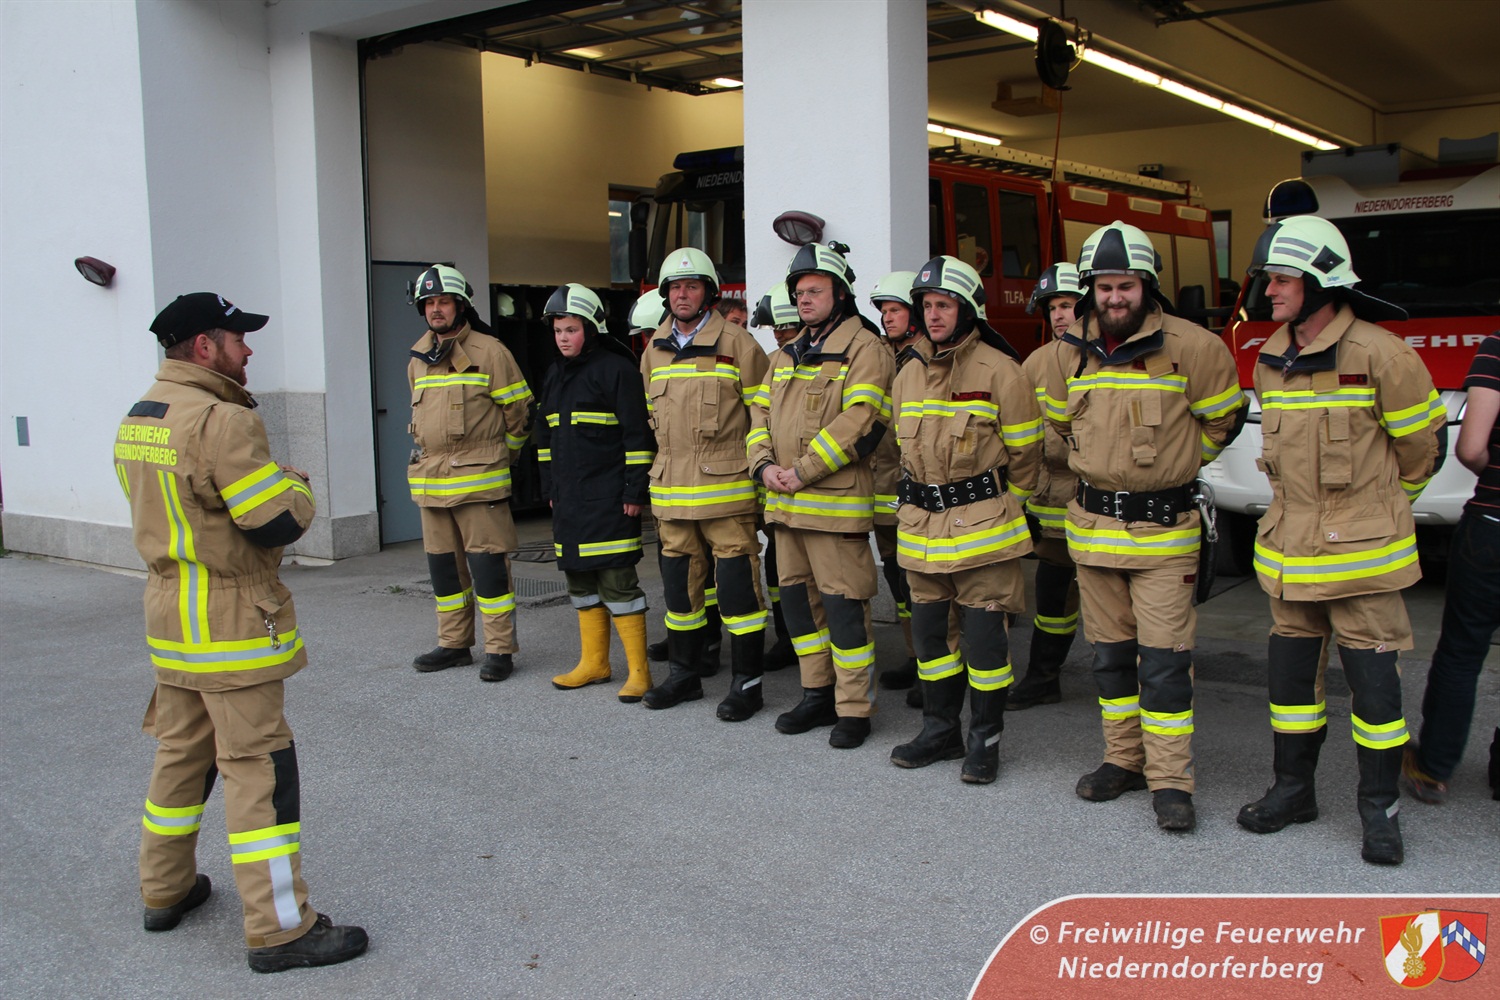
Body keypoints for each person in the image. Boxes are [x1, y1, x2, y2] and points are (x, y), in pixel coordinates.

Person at [116, 292, 366, 972]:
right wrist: (295, 485)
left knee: (181, 755)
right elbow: (274, 521)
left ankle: (164, 889)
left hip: (170, 618)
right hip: (229, 623)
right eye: (237, 338)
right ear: (205, 346)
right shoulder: (223, 420)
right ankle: (280, 929)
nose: (248, 349)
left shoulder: (142, 415)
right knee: (259, 770)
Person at [1235, 215, 1445, 865]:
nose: (1269, 290)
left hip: (1363, 561)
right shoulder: (1270, 357)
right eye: (1268, 278)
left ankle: (1379, 812)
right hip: (1289, 556)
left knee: (1375, 695)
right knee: (1291, 688)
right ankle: (1293, 792)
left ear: (1321, 282)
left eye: (1282, 279)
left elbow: (1422, 454)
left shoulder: (1384, 356)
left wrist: (1374, 515)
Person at [1033, 221, 1246, 832]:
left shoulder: (1194, 347)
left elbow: (1222, 423)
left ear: (1147, 286)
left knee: (1165, 662)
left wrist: (1177, 467)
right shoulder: (1067, 354)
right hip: (1092, 531)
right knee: (1111, 658)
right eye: (1103, 287)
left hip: (1164, 533)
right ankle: (1122, 760)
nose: (1114, 298)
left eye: (1125, 286)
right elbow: (1059, 426)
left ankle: (1171, 780)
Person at [888, 257, 1043, 783]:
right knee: (932, 642)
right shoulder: (908, 373)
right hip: (922, 531)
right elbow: (903, 453)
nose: (933, 315)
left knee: (985, 643)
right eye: (927, 306)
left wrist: (1004, 507)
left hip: (983, 531)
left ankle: (985, 741)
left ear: (969, 310)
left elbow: (1026, 458)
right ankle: (940, 731)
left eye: (944, 306)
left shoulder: (1002, 371)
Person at [749, 242, 896, 749]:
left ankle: (854, 708)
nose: (804, 299)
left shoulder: (866, 350)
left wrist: (802, 471)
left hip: (833, 509)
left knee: (844, 610)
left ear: (840, 294)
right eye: (799, 292)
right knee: (798, 609)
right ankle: (816, 693)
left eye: (815, 290)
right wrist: (764, 465)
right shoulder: (785, 355)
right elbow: (759, 416)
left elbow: (861, 422)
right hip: (786, 508)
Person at [639, 248, 771, 721]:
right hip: (672, 497)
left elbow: (763, 417)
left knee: (737, 593)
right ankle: (684, 677)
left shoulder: (739, 345)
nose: (682, 295)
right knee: (680, 595)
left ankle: (747, 685)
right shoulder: (654, 349)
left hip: (726, 496)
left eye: (692, 286)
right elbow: (653, 421)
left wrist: (762, 485)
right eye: (675, 287)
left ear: (709, 292)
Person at [406, 265, 533, 682]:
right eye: (429, 303)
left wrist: (500, 460)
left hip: (479, 483)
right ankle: (454, 644)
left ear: (461, 305)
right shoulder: (418, 358)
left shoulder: (490, 351)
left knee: (488, 569)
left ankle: (499, 650)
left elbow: (520, 414)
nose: (435, 309)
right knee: (444, 570)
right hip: (432, 483)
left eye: (443, 301)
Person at [536, 284, 655, 703]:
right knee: (580, 581)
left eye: (571, 330)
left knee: (618, 582)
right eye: (558, 331)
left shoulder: (617, 370)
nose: (563, 338)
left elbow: (638, 437)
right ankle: (594, 663)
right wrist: (549, 489)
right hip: (569, 500)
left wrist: (635, 491)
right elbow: (545, 439)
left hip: (610, 498)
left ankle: (639, 672)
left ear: (591, 328)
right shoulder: (555, 374)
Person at [1404, 332, 1500, 805]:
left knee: (1462, 650)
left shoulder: (1497, 347)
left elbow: (1472, 447)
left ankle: (1433, 768)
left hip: (1493, 524)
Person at [1013, 263, 1085, 710]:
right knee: (1053, 594)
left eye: (1068, 304)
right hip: (1051, 502)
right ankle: (1043, 677)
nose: (1059, 314)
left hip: (1102, 502)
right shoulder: (1035, 364)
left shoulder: (1109, 357)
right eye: (1053, 307)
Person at [867, 271, 922, 692]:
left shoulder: (929, 358)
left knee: (921, 581)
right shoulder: (879, 355)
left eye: (896, 310)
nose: (887, 317)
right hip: (883, 485)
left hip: (916, 486)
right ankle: (914, 655)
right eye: (884, 311)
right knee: (897, 577)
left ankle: (934, 663)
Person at [748, 284, 805, 671]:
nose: (779, 335)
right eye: (775, 328)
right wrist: (764, 467)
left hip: (814, 487)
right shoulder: (774, 363)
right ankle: (787, 637)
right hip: (775, 488)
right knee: (777, 565)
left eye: (785, 327)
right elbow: (758, 420)